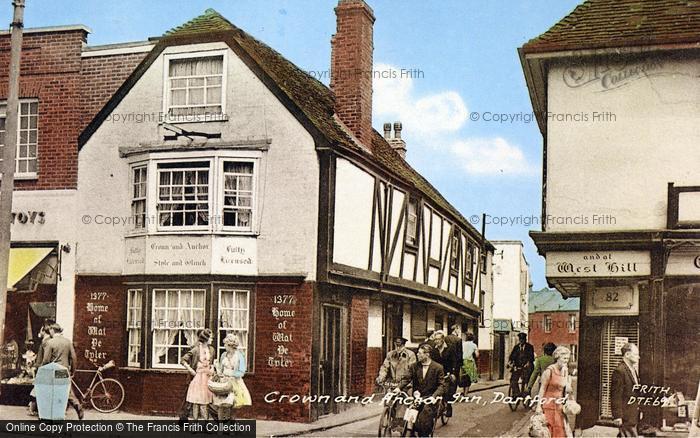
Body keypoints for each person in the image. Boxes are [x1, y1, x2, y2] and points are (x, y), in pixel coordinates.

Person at [398, 343, 447, 436]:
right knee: (409, 419)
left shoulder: (438, 368)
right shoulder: (414, 366)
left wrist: (434, 396)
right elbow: (406, 379)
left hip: (430, 400)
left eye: (420, 353)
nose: (417, 355)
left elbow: (441, 385)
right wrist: (398, 388)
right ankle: (410, 433)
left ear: (427, 354)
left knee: (424, 418)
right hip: (417, 399)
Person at [40, 322, 83, 420]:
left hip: (54, 370)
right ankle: (77, 405)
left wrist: (42, 370)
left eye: (50, 330)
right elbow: (74, 357)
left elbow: (46, 360)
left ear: (52, 330)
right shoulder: (67, 342)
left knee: (53, 392)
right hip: (64, 370)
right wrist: (73, 371)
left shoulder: (50, 342)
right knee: (66, 391)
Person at [535, 345, 573, 438]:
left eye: (568, 359)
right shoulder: (549, 370)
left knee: (560, 433)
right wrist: (538, 406)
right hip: (548, 407)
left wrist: (568, 379)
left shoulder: (564, 371)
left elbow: (567, 390)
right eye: (564, 358)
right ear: (557, 357)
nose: (566, 361)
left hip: (559, 407)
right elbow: (542, 389)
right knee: (548, 433)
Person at [213, 333, 252, 421]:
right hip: (224, 382)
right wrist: (216, 367)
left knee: (233, 407)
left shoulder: (240, 356)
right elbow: (220, 372)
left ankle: (231, 428)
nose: (224, 346)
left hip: (235, 383)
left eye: (225, 344)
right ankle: (221, 428)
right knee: (221, 406)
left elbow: (241, 372)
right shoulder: (223, 355)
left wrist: (230, 373)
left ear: (230, 345)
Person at [181, 328, 215, 420]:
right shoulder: (196, 349)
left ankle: (205, 425)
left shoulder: (211, 350)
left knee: (205, 402)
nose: (212, 339)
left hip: (207, 379)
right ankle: (195, 424)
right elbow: (183, 360)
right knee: (195, 402)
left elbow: (212, 363)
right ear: (205, 339)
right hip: (198, 378)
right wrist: (190, 370)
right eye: (211, 338)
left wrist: (212, 369)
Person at [611, 343, 641, 437]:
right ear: (627, 354)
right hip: (626, 415)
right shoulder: (620, 371)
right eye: (636, 354)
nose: (638, 357)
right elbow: (616, 395)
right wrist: (617, 416)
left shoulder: (633, 370)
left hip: (632, 414)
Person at [430, 330, 459, 417]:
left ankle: (448, 406)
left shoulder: (450, 348)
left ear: (443, 339)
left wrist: (453, 373)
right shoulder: (433, 349)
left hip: (448, 371)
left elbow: (455, 361)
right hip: (437, 373)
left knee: (447, 391)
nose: (436, 341)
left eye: (438, 339)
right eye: (435, 340)